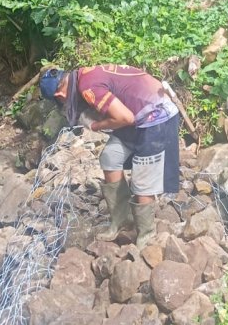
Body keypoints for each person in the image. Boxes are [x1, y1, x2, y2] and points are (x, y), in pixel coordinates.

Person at [39, 64, 180, 247]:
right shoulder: (83, 75)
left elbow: (124, 118)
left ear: (60, 96)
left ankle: (146, 235)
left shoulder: (88, 87)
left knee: (142, 183)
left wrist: (96, 126)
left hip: (156, 117)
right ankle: (121, 220)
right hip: (138, 113)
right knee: (110, 157)